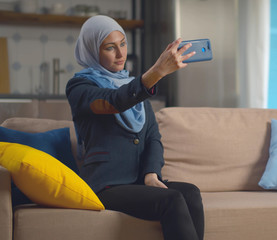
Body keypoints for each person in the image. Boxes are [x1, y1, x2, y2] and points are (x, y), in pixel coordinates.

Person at [66, 15, 204, 240]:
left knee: (190, 192)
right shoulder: (79, 88)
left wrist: (151, 174)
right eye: (110, 48)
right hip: (105, 184)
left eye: (123, 44)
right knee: (171, 199)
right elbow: (114, 102)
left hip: (139, 181)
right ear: (92, 50)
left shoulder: (131, 86)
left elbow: (152, 138)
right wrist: (156, 72)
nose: (121, 54)